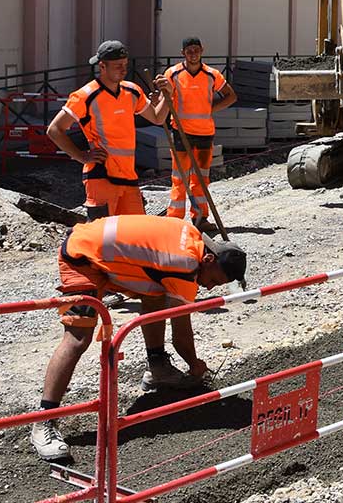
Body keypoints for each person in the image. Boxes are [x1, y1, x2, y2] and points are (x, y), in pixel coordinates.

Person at [30, 214, 248, 461]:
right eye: (213, 281)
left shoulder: (192, 237)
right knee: (78, 337)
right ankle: (43, 421)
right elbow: (181, 332)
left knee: (156, 291)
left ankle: (158, 367)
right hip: (81, 258)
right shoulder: (185, 265)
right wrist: (195, 365)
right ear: (208, 259)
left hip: (98, 249)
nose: (208, 288)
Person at [47, 40, 170, 220]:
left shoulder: (132, 91)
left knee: (133, 236)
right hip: (101, 177)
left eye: (125, 65)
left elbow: (158, 118)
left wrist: (168, 95)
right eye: (118, 66)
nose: (123, 69)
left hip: (128, 177)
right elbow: (54, 129)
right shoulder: (85, 96)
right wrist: (82, 156)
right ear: (102, 66)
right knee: (103, 237)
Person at [162, 37, 237, 230]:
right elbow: (165, 99)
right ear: (183, 53)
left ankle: (200, 218)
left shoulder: (212, 75)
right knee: (179, 179)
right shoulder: (173, 73)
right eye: (189, 51)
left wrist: (210, 109)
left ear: (202, 50)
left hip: (204, 134)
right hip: (181, 133)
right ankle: (175, 222)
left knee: (201, 179)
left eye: (196, 50)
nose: (193, 54)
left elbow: (231, 96)